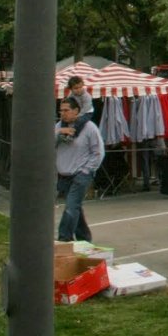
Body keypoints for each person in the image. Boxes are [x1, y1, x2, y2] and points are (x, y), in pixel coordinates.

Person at [56, 96, 104, 242]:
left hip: (81, 174)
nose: (63, 113)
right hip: (64, 174)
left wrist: (87, 170)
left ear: (76, 111)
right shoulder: (59, 127)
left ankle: (64, 239)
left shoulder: (89, 127)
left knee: (71, 207)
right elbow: (46, 143)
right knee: (75, 207)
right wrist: (58, 133)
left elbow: (98, 151)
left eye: (66, 110)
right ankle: (84, 239)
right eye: (61, 111)